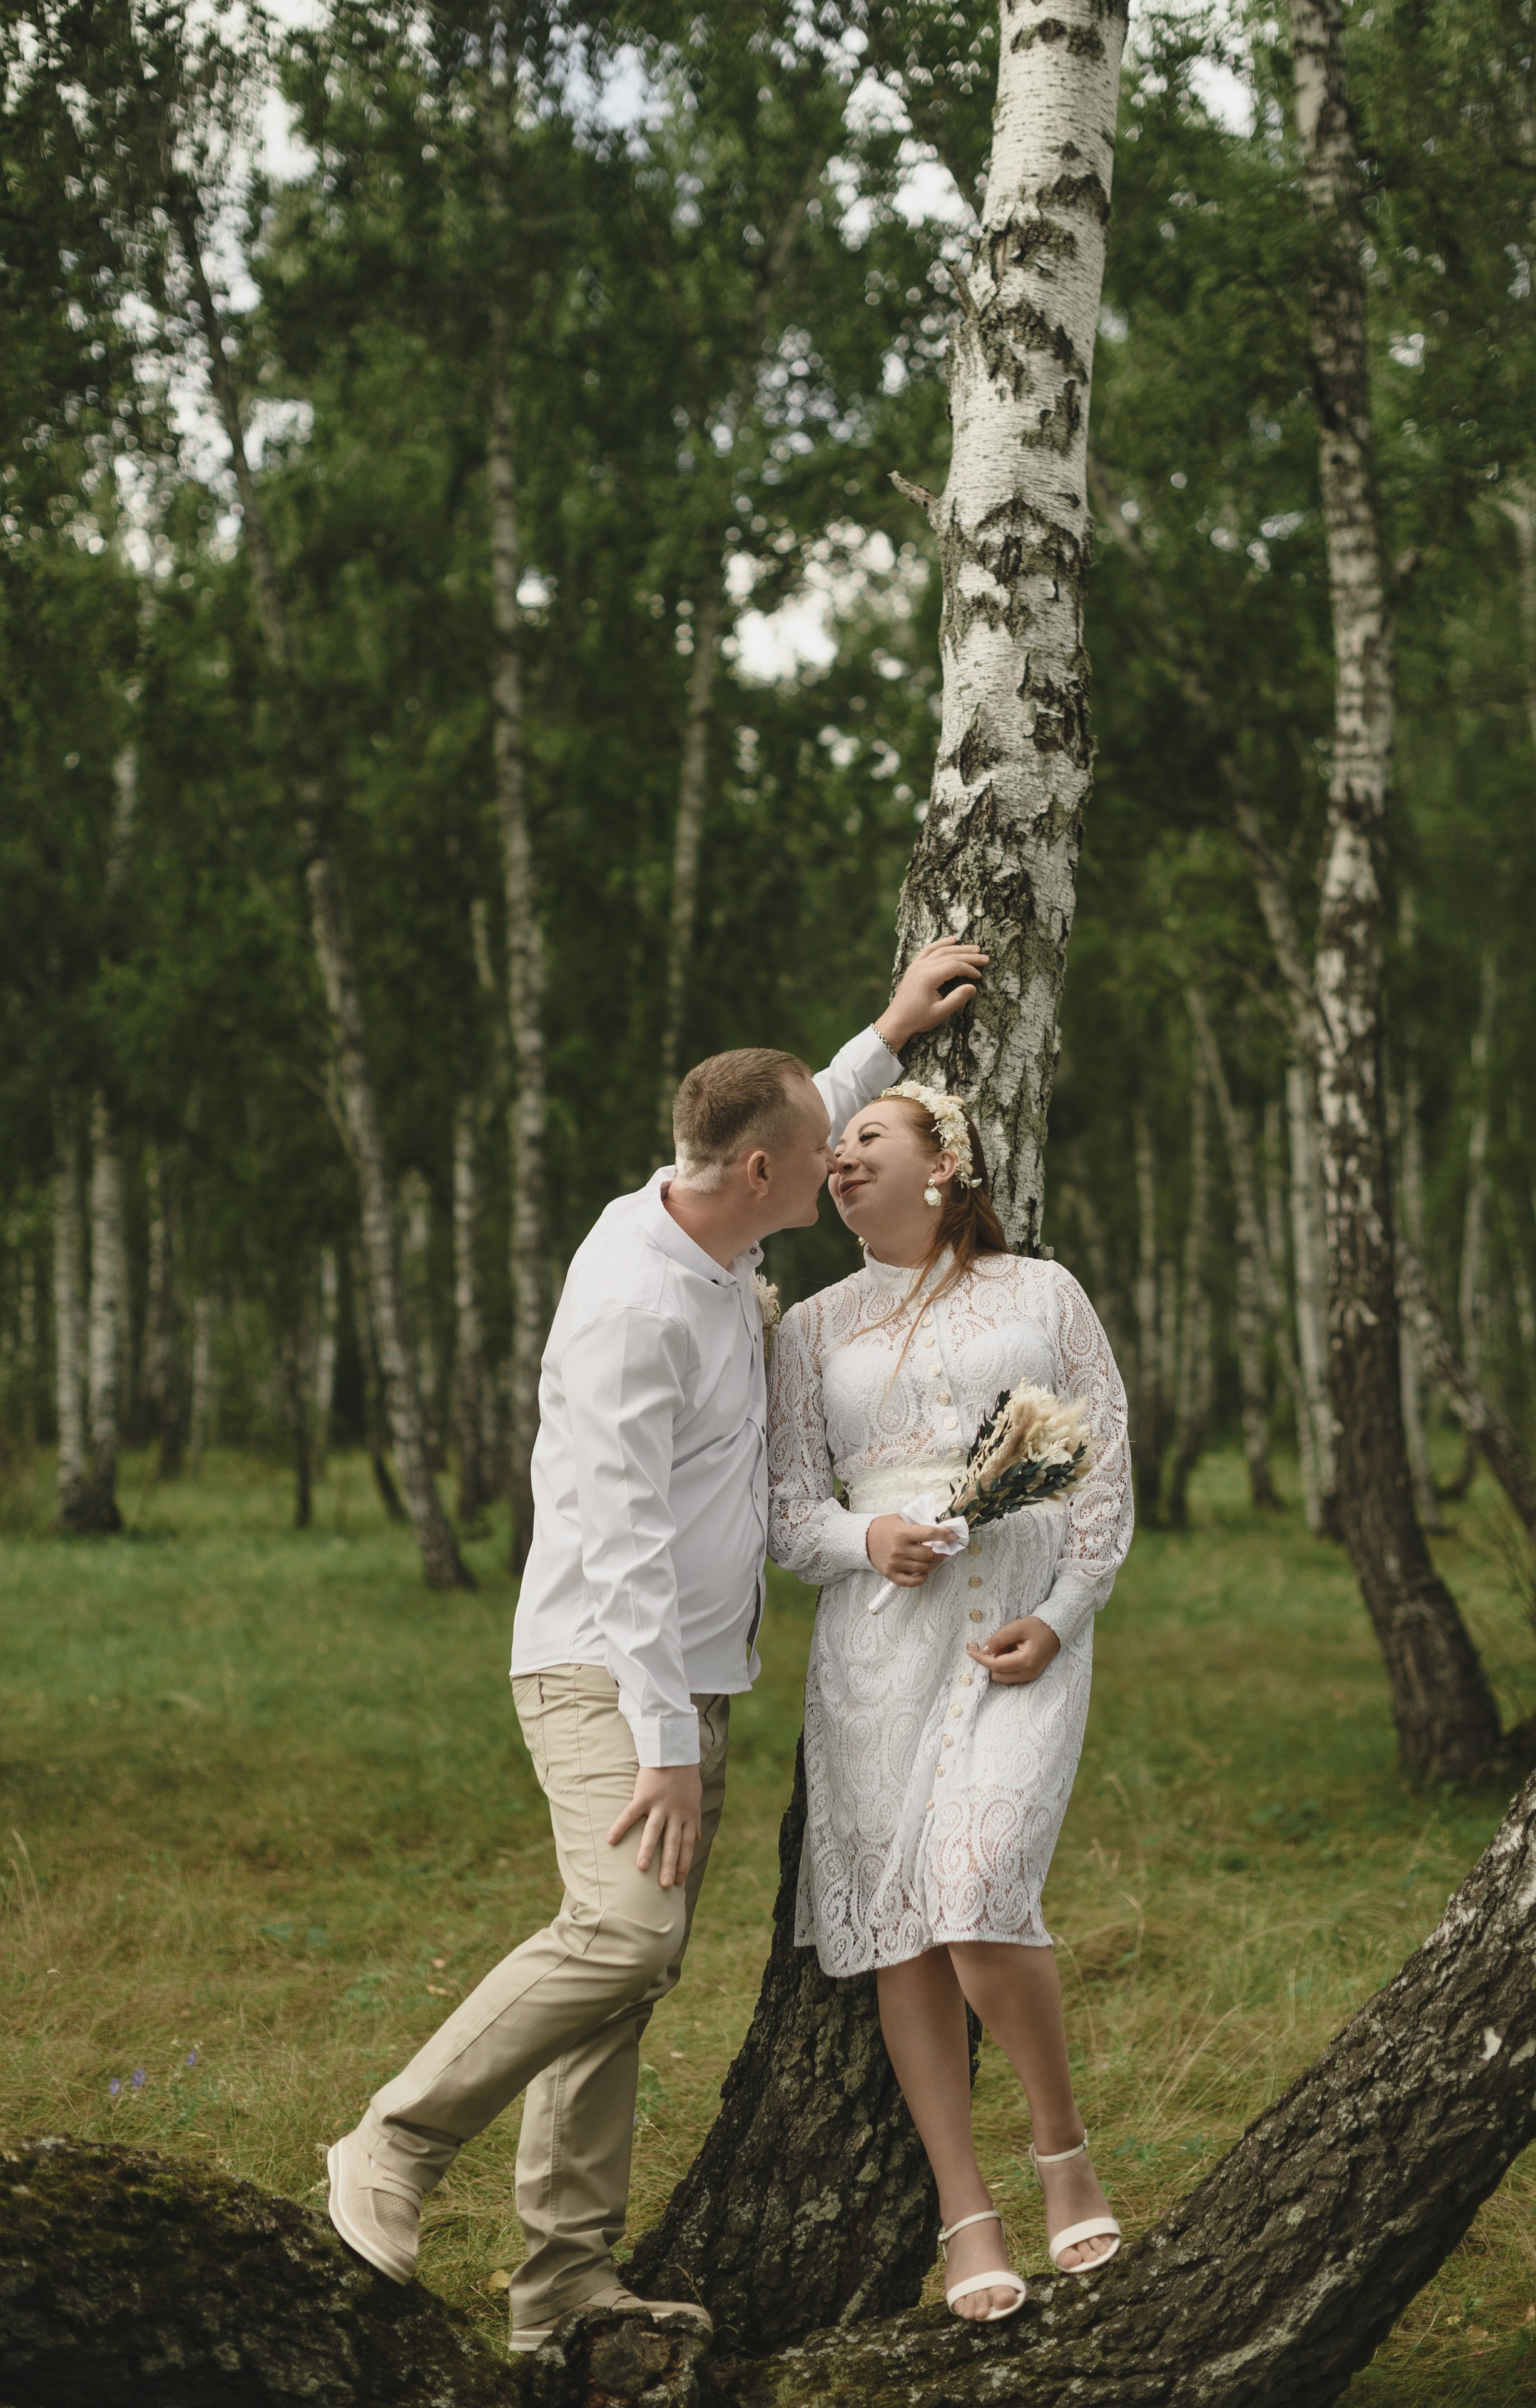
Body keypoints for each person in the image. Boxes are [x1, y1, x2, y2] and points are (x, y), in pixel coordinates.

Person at [325, 938, 987, 2348]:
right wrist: (666, 1746)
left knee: (625, 1978)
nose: (837, 1167)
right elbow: (621, 1548)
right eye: (819, 1157)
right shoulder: (635, 1305)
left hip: (687, 1671)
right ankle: (391, 2142)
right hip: (604, 1668)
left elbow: (796, 1108)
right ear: (758, 1173)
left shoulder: (717, 1215)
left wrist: (883, 1032)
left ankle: (562, 2283)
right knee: (621, 1937)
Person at [766, 1083, 1133, 2324]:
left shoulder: (1043, 1293)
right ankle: (964, 2210)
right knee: (903, 1931)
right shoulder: (809, 1327)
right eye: (832, 1148)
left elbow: (1100, 1468)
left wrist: (1064, 1614)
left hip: (1014, 1631)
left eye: (867, 1136)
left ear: (944, 1162)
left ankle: (1061, 2148)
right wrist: (865, 1537)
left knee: (974, 1887)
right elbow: (788, 1512)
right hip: (877, 1650)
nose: (840, 1157)